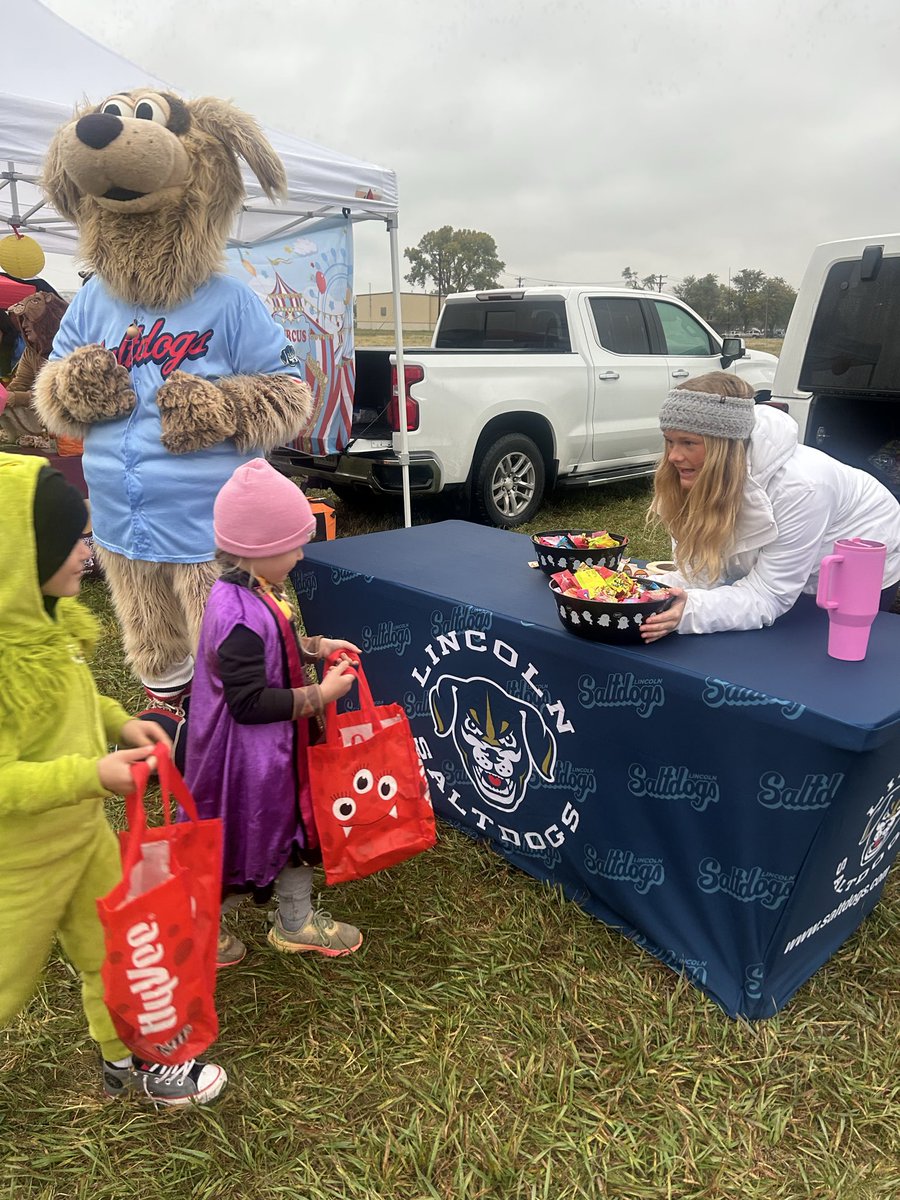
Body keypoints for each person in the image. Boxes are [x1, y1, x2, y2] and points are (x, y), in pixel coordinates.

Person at [0, 452, 227, 1106]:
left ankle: (134, 1055)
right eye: (69, 541)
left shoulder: (51, 626)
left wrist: (121, 723)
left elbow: (78, 699)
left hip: (85, 840)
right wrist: (92, 775)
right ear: (17, 560)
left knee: (122, 951)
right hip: (20, 864)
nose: (87, 551)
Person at [185, 459, 362, 967]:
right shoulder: (237, 616)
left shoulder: (257, 590)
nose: (301, 554)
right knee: (244, 837)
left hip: (277, 754)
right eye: (293, 545)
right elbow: (247, 703)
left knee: (295, 829)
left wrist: (317, 647)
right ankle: (201, 929)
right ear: (257, 549)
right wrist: (320, 695)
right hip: (249, 763)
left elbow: (278, 642)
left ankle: (295, 920)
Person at [640, 371, 900, 642]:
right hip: (782, 579)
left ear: (724, 446)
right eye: (669, 441)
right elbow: (701, 574)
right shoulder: (698, 474)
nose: (673, 456)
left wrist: (688, 611)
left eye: (688, 443)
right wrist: (647, 590)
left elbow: (768, 595)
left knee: (820, 656)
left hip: (849, 578)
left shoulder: (802, 487)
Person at [0, 292, 68, 449]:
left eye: (28, 320)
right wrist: (5, 398)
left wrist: (15, 398)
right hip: (43, 415)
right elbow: (20, 383)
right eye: (22, 320)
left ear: (46, 321)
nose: (23, 325)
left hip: (68, 420)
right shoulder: (31, 351)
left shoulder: (67, 349)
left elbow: (60, 396)